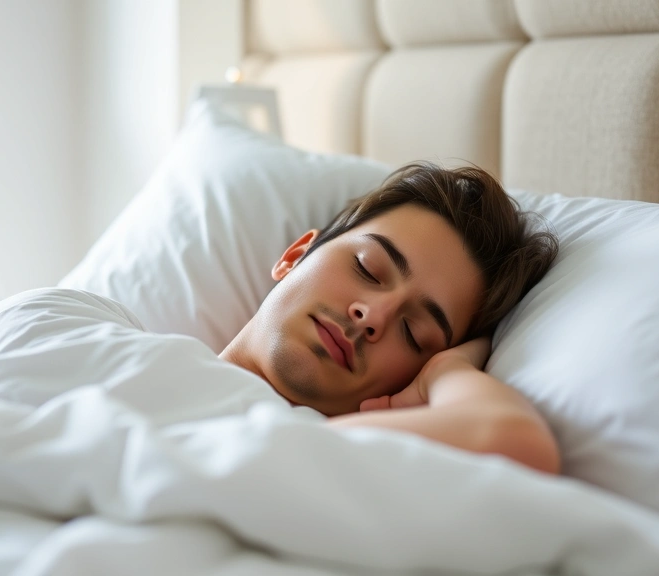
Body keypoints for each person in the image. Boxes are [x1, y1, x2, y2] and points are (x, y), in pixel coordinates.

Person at [220, 161, 561, 474]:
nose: (373, 316)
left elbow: (516, 442)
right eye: (367, 268)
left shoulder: (335, 458)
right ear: (295, 256)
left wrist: (445, 372)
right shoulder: (169, 361)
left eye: (413, 332)